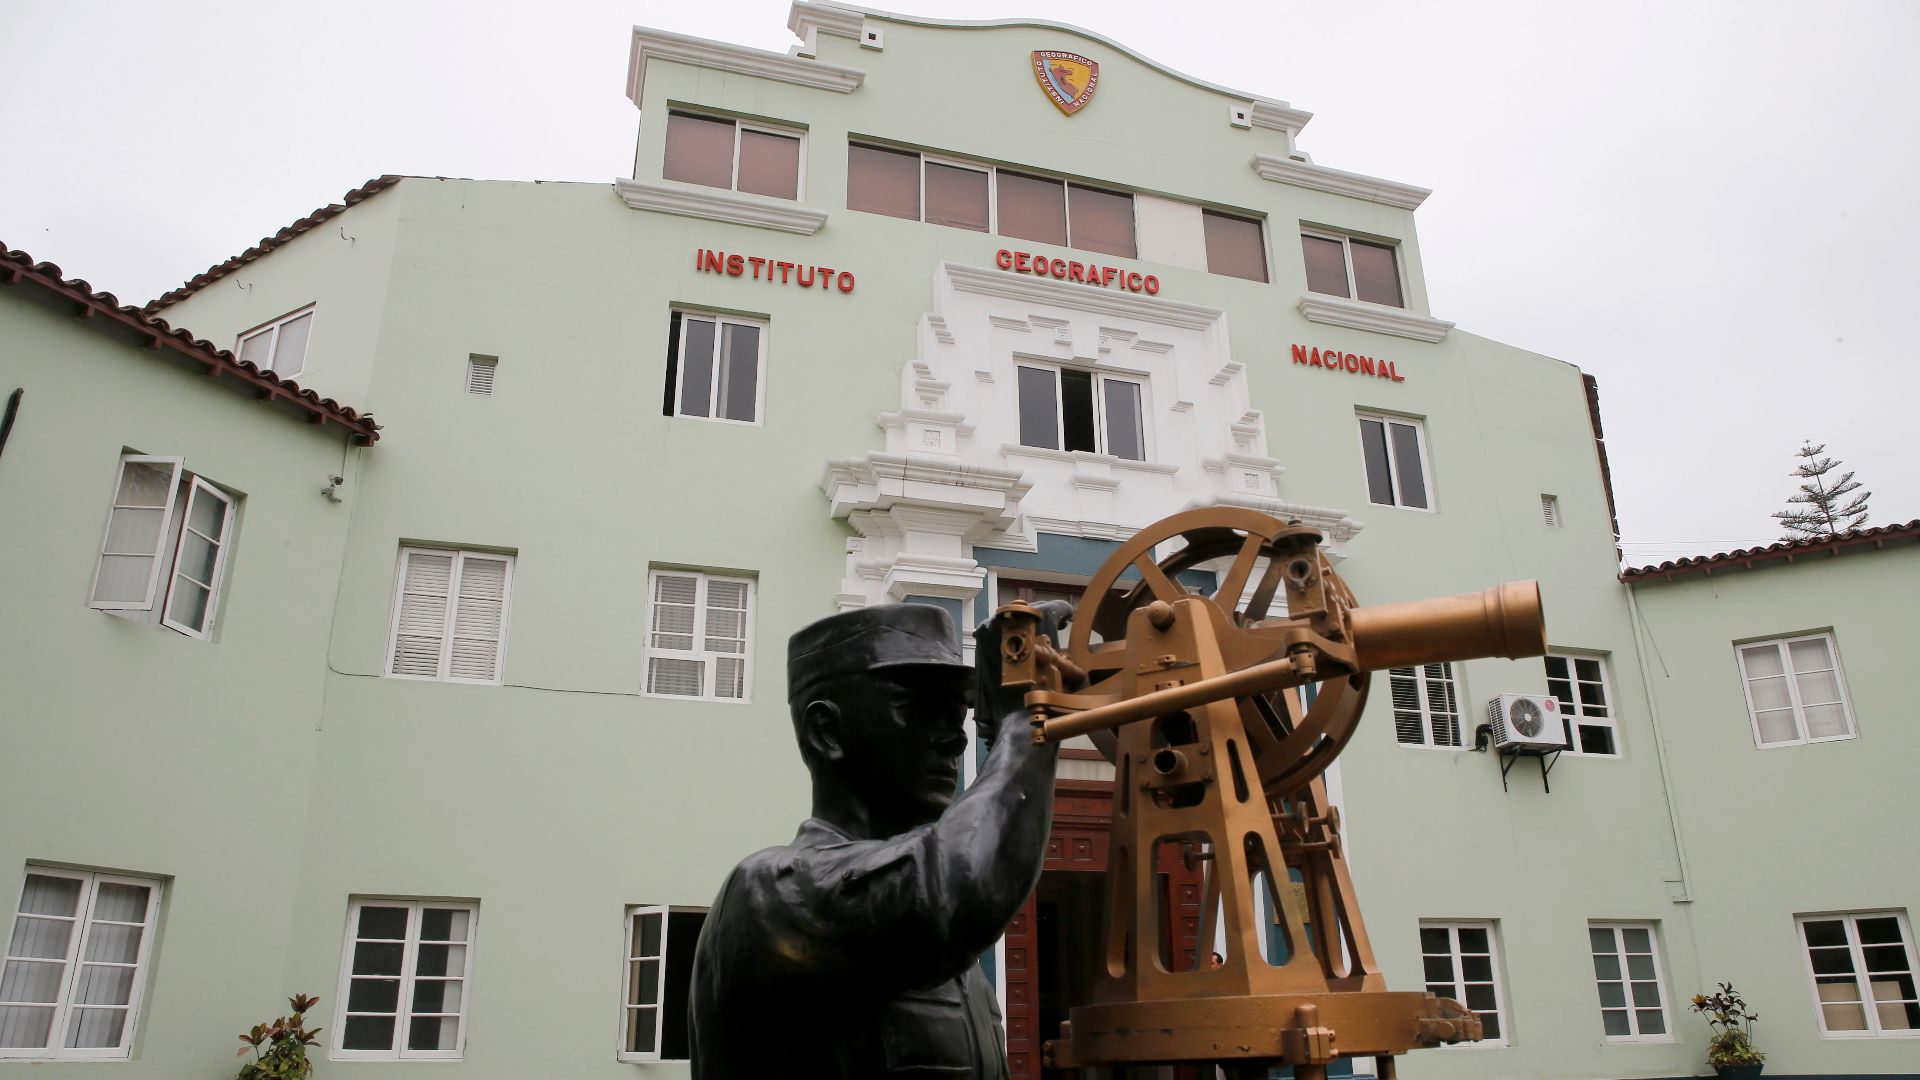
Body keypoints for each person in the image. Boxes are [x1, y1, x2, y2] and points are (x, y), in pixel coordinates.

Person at [689, 602, 1080, 1079]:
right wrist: (1024, 727)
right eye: (919, 709)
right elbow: (959, 886)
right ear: (826, 731)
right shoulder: (769, 894)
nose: (953, 740)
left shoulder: (955, 965)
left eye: (957, 714)